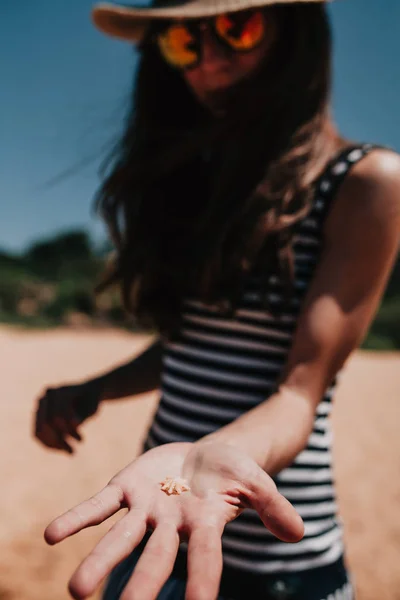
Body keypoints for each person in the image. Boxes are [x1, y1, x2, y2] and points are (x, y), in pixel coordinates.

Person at [35, 0, 400, 598]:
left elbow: (300, 387)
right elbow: (194, 345)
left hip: (277, 564)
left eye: (238, 27)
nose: (208, 62)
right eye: (181, 42)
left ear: (296, 35)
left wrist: (213, 455)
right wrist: (97, 388)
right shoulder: (199, 188)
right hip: (157, 531)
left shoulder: (363, 184)